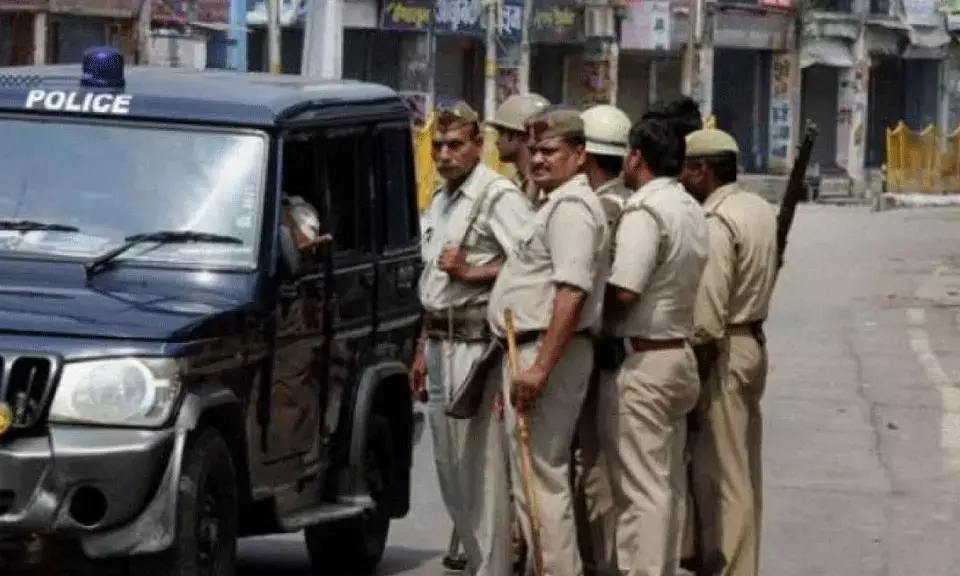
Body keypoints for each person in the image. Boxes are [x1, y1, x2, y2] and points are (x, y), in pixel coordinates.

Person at [409, 99, 533, 576]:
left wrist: (473, 272)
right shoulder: (442, 199)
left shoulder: (497, 195)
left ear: (478, 146)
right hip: (439, 340)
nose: (444, 154)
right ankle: (481, 562)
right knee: (450, 470)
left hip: (475, 344)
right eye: (438, 145)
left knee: (478, 470)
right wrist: (421, 348)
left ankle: (493, 568)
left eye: (455, 145)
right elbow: (430, 281)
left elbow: (532, 262)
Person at [487, 106, 610, 576]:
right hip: (527, 349)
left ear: (579, 155)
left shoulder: (573, 208)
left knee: (541, 482)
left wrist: (539, 367)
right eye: (534, 150)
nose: (538, 159)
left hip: (546, 353)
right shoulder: (554, 203)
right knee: (531, 481)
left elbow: (571, 294)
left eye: (550, 151)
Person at [601, 114, 708, 576]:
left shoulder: (645, 211)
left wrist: (588, 309)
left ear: (636, 158)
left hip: (643, 360)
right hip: (677, 354)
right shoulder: (689, 207)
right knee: (665, 485)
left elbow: (625, 290)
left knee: (640, 489)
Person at [680, 128, 778, 576]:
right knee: (742, 467)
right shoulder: (755, 207)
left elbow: (707, 318)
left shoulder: (716, 220)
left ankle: (733, 566)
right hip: (752, 338)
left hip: (726, 349)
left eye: (687, 169)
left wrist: (693, 375)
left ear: (702, 170)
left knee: (724, 473)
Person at [574, 103, 634, 576]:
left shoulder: (601, 209)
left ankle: (599, 560)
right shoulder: (630, 202)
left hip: (599, 349)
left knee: (595, 466)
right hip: (617, 350)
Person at [488, 93, 551, 205]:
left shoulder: (551, 188)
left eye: (501, 133)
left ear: (516, 135)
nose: (496, 142)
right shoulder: (514, 184)